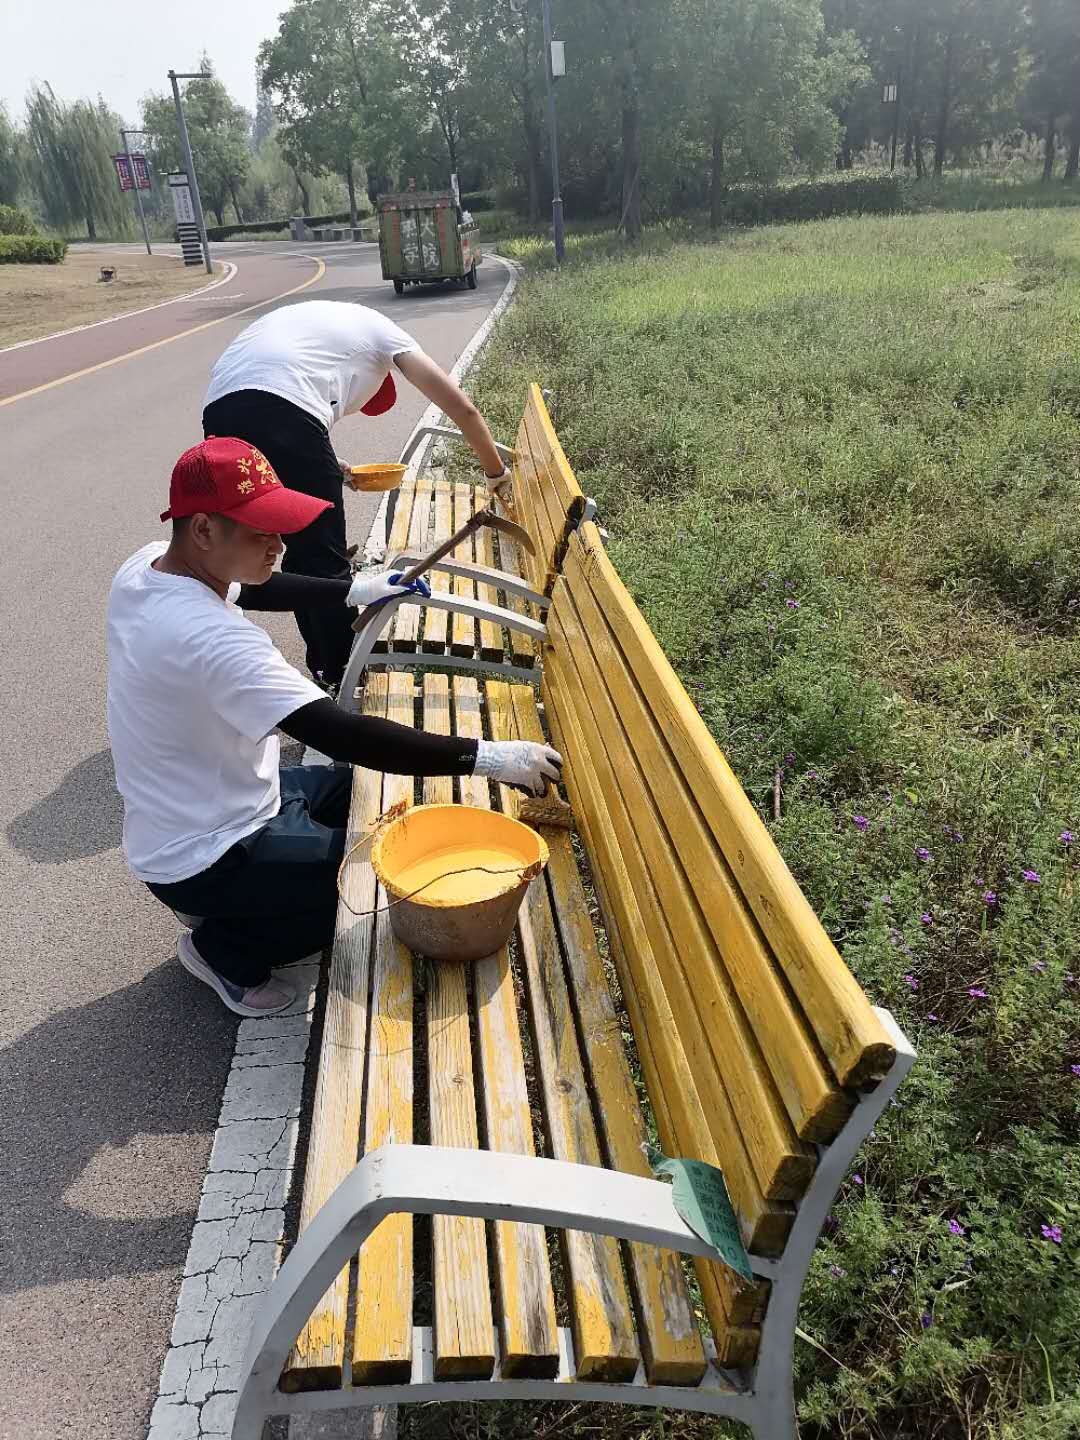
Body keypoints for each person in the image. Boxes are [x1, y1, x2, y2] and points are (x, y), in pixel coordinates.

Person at [106, 437, 561, 1019]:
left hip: (224, 800)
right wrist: (492, 758)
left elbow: (259, 585)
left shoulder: (148, 567)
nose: (279, 545)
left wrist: (355, 588)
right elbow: (343, 734)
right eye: (262, 533)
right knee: (377, 887)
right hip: (208, 851)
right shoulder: (209, 639)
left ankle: (255, 898)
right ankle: (223, 949)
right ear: (203, 530)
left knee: (370, 793)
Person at [203, 299, 511, 689]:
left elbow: (274, 416)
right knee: (322, 557)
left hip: (219, 413)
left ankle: (318, 665)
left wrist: (330, 466)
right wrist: (496, 473)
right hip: (282, 411)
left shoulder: (323, 326)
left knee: (270, 551)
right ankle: (345, 674)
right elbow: (464, 410)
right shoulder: (387, 335)